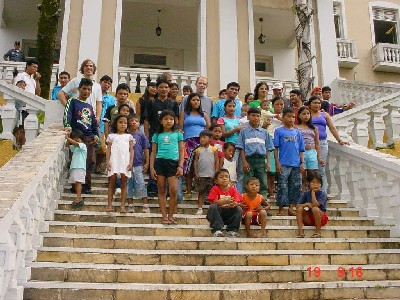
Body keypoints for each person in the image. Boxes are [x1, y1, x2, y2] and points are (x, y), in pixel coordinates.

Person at [63, 78, 99, 194]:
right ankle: (75, 186)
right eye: (84, 88)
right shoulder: (72, 102)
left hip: (89, 137)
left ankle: (86, 186)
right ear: (79, 89)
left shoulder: (89, 106)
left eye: (89, 89)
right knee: (76, 162)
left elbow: (93, 122)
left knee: (91, 161)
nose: (86, 91)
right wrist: (68, 126)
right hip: (77, 135)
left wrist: (96, 135)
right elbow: (67, 114)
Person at [308, 96, 349, 194]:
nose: (317, 105)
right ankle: (310, 191)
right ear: (309, 104)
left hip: (322, 143)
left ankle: (322, 192)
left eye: (319, 103)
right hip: (309, 144)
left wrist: (339, 140)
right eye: (314, 103)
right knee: (310, 169)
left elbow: (332, 128)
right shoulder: (307, 114)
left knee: (321, 168)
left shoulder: (324, 114)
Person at [150, 110, 184, 225]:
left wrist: (180, 165)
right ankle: (164, 216)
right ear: (161, 121)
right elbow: (153, 152)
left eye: (171, 119)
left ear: (174, 121)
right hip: (160, 163)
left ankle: (171, 216)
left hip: (173, 164)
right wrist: (152, 168)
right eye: (165, 119)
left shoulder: (178, 134)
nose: (168, 121)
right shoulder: (157, 135)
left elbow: (181, 151)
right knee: (161, 190)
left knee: (173, 190)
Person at [237, 107, 274, 199]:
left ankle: (262, 205)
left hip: (261, 160)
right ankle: (247, 204)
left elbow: (268, 148)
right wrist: (244, 162)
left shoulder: (264, 132)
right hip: (249, 160)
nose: (255, 118)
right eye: (253, 115)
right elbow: (241, 148)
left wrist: (268, 162)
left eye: (258, 116)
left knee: (262, 182)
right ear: (248, 117)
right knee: (247, 182)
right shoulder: (243, 132)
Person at [274, 108, 305, 216]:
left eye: (293, 117)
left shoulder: (297, 132)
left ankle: (292, 207)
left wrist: (302, 162)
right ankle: (281, 208)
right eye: (288, 116)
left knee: (296, 186)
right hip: (284, 163)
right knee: (282, 185)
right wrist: (277, 163)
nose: (291, 119)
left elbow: (301, 149)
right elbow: (276, 149)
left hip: (296, 163)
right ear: (283, 118)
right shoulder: (278, 131)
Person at [179, 93, 210, 197]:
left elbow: (209, 128)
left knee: (201, 165)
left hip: (202, 142)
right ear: (189, 102)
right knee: (188, 166)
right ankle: (188, 191)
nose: (196, 102)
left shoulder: (204, 114)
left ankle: (201, 191)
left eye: (198, 100)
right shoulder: (184, 114)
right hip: (189, 141)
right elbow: (180, 128)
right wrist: (182, 142)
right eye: (193, 100)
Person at [105, 114, 134, 213]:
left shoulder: (129, 136)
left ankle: (122, 206)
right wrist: (107, 162)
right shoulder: (111, 136)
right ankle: (109, 205)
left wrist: (130, 162)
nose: (122, 124)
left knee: (124, 183)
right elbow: (108, 150)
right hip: (114, 160)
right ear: (116, 124)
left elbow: (132, 151)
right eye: (120, 122)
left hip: (125, 161)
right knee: (111, 183)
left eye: (125, 123)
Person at [217, 99, 245, 192]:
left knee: (240, 170)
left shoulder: (240, 119)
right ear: (225, 107)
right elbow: (223, 134)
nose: (231, 108)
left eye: (233, 106)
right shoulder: (222, 119)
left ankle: (238, 192)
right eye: (229, 106)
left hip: (240, 147)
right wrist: (236, 129)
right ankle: (227, 190)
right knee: (230, 168)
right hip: (229, 147)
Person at [206, 169, 243, 237]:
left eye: (226, 177)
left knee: (238, 209)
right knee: (213, 207)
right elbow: (214, 201)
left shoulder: (233, 189)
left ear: (229, 180)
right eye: (221, 177)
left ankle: (232, 230)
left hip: (229, 214)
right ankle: (217, 230)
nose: (224, 179)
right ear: (216, 181)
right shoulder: (215, 188)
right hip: (217, 214)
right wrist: (224, 202)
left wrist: (234, 204)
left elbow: (238, 201)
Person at [127, 114, 151, 213]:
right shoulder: (126, 135)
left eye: (136, 121)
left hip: (138, 164)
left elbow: (146, 149)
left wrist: (147, 163)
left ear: (138, 123)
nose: (133, 122)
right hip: (127, 165)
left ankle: (145, 205)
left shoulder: (141, 135)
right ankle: (130, 205)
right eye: (131, 121)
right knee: (128, 185)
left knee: (140, 183)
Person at [297, 106, 324, 192]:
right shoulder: (296, 128)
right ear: (299, 115)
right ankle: (303, 191)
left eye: (308, 114)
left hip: (312, 152)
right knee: (302, 174)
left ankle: (311, 192)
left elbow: (317, 143)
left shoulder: (314, 128)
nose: (306, 116)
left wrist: (319, 157)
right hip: (301, 152)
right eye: (303, 114)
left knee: (312, 174)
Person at [193, 130, 219, 215]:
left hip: (211, 175)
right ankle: (199, 208)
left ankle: (212, 208)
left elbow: (217, 161)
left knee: (212, 192)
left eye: (204, 137)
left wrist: (216, 173)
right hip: (201, 175)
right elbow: (195, 162)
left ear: (210, 138)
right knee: (201, 192)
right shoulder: (198, 150)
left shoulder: (214, 149)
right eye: (201, 137)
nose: (202, 139)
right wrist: (196, 173)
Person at [296, 172, 329, 238]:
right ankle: (300, 232)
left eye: (317, 183)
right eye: (313, 182)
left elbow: (315, 205)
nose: (315, 185)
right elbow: (297, 206)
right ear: (308, 184)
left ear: (321, 184)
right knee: (300, 209)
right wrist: (306, 204)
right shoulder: (306, 194)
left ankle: (318, 232)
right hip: (309, 219)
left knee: (315, 209)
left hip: (321, 218)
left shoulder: (322, 194)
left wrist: (313, 194)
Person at [264, 96, 285, 199]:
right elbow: (263, 128)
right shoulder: (269, 115)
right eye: (277, 104)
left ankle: (281, 193)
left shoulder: (286, 117)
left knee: (281, 170)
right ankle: (271, 192)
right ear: (273, 105)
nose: (280, 106)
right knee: (271, 171)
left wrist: (281, 118)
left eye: (281, 104)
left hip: (283, 145)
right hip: (271, 142)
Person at [96, 75, 116, 173]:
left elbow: (112, 112)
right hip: (94, 123)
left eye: (109, 83)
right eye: (105, 82)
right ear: (100, 82)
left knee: (102, 147)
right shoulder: (94, 94)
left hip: (104, 126)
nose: (107, 85)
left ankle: (98, 166)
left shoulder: (111, 99)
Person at [65, 130, 87, 207]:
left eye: (78, 139)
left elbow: (75, 143)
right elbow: (68, 145)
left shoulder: (83, 146)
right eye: (74, 139)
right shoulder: (75, 147)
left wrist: (67, 137)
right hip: (74, 166)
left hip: (80, 166)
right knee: (75, 182)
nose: (75, 141)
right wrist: (68, 137)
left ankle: (79, 197)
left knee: (78, 182)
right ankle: (78, 197)